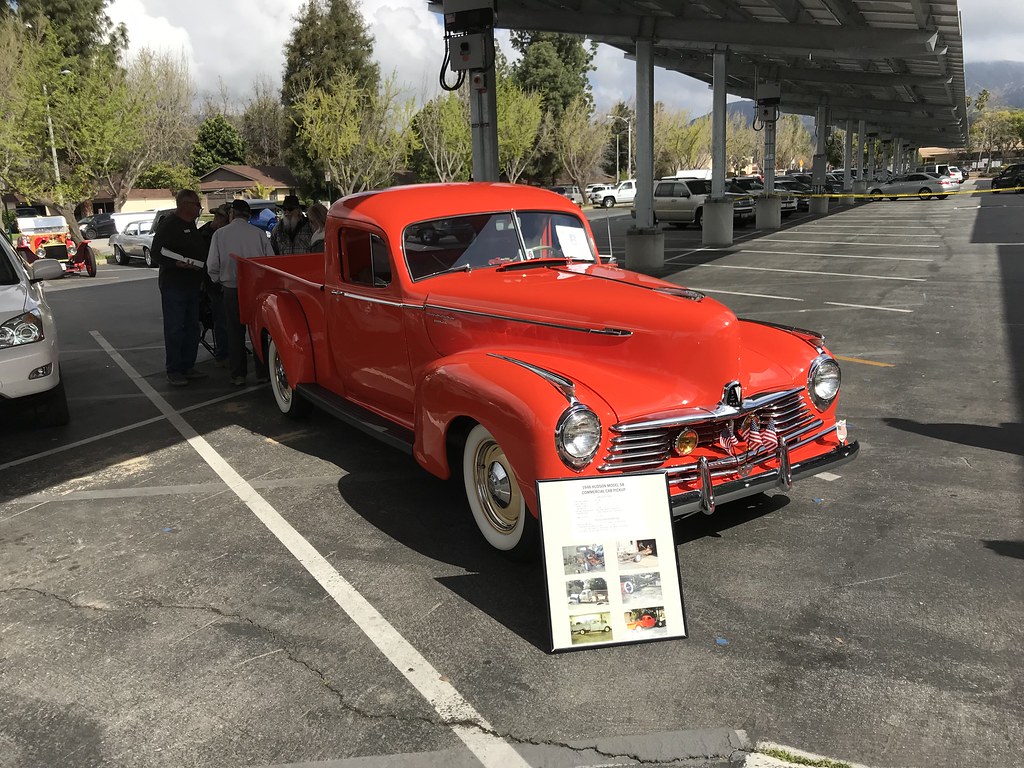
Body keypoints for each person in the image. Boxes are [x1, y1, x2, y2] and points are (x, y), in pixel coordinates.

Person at [207, 199, 273, 386]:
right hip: (256, 287)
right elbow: (270, 260)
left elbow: (212, 265)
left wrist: (219, 280)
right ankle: (262, 372)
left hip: (231, 287)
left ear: (232, 214)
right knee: (258, 329)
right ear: (248, 215)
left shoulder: (220, 234)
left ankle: (238, 374)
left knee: (234, 331)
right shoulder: (259, 234)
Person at [152, 189, 209, 387]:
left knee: (192, 327)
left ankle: (188, 366)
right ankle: (174, 369)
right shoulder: (169, 225)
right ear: (185, 205)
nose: (200, 208)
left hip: (192, 284)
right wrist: (175, 263)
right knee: (175, 328)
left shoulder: (191, 225)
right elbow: (156, 253)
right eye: (197, 204)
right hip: (174, 286)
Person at [200, 205, 231, 365]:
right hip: (214, 284)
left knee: (226, 320)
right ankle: (223, 354)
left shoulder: (220, 233)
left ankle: (228, 351)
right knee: (221, 320)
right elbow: (208, 264)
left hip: (223, 282)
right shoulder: (205, 235)